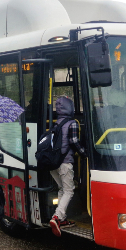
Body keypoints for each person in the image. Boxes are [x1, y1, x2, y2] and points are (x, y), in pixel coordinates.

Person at [49, 96, 86, 237]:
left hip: (53, 163)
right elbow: (74, 142)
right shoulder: (72, 123)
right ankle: (57, 217)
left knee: (62, 189)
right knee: (69, 191)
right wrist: (84, 154)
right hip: (65, 163)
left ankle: (62, 219)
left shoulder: (56, 123)